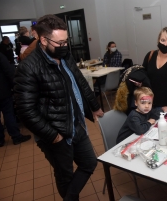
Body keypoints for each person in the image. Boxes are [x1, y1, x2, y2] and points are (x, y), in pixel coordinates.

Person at [13, 14, 104, 201]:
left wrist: (94, 107)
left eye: (66, 42)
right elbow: (25, 111)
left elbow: (80, 81)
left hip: (74, 123)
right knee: (65, 175)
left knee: (89, 162)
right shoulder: (29, 68)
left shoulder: (65, 55)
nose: (64, 47)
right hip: (54, 132)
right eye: (60, 43)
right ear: (43, 40)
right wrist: (53, 135)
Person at [0, 52, 31, 147]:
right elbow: (9, 71)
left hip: (2, 91)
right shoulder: (0, 56)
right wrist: (14, 86)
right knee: (9, 114)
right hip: (2, 91)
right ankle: (16, 137)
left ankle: (0, 140)